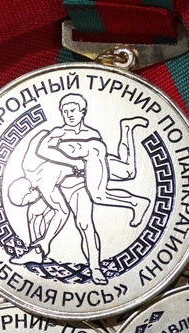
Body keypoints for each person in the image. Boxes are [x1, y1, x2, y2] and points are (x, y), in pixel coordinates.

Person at [9, 93, 150, 285]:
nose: (69, 114)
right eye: (65, 111)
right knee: (125, 174)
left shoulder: (67, 138)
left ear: (82, 111)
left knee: (99, 197)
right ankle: (91, 267)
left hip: (90, 162)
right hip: (76, 181)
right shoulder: (56, 137)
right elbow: (42, 150)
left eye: (72, 110)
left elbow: (43, 149)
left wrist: (74, 162)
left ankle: (136, 203)